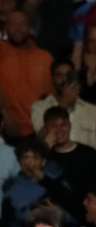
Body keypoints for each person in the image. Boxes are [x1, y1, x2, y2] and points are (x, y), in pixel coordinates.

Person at [31, 59, 96, 154]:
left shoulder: (92, 110)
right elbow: (40, 141)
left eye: (68, 75)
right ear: (52, 78)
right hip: (54, 163)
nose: (64, 79)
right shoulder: (39, 107)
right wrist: (63, 104)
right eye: (59, 75)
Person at [0, 10, 53, 140]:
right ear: (6, 28)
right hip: (8, 131)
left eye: (22, 24)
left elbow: (53, 98)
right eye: (13, 24)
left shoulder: (45, 58)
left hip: (40, 132)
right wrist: (4, 114)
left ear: (30, 27)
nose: (18, 28)